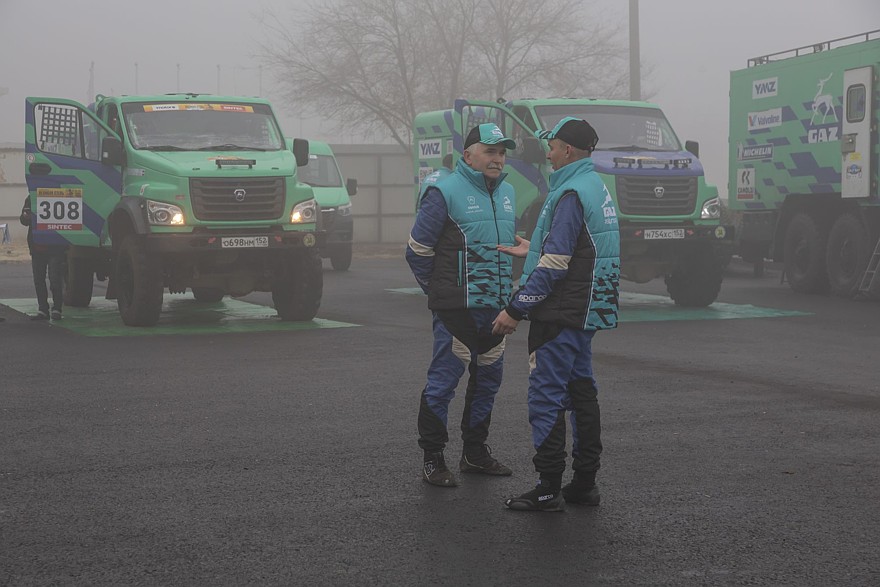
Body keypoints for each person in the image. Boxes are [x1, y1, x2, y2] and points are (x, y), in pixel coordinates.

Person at [492, 117, 620, 511]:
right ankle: (584, 484)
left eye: (553, 147)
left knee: (547, 397)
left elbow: (556, 264)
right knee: (582, 393)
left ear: (568, 150)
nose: (547, 154)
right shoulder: (594, 185)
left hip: (560, 313)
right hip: (586, 311)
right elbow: (578, 247)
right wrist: (533, 248)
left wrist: (515, 309)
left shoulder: (569, 193)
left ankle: (547, 487)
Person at [406, 123, 518, 487]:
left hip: (497, 310)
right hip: (457, 310)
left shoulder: (509, 193)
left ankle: (475, 453)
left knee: (488, 382)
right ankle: (433, 458)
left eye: (501, 152)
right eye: (489, 151)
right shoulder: (445, 191)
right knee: (443, 384)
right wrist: (439, 293)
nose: (497, 158)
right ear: (468, 155)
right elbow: (418, 251)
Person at [20, 195, 67, 321]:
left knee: (54, 279)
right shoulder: (31, 197)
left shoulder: (58, 195)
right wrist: (26, 217)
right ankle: (43, 309)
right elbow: (23, 220)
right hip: (38, 248)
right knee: (39, 279)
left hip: (54, 247)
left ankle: (56, 308)